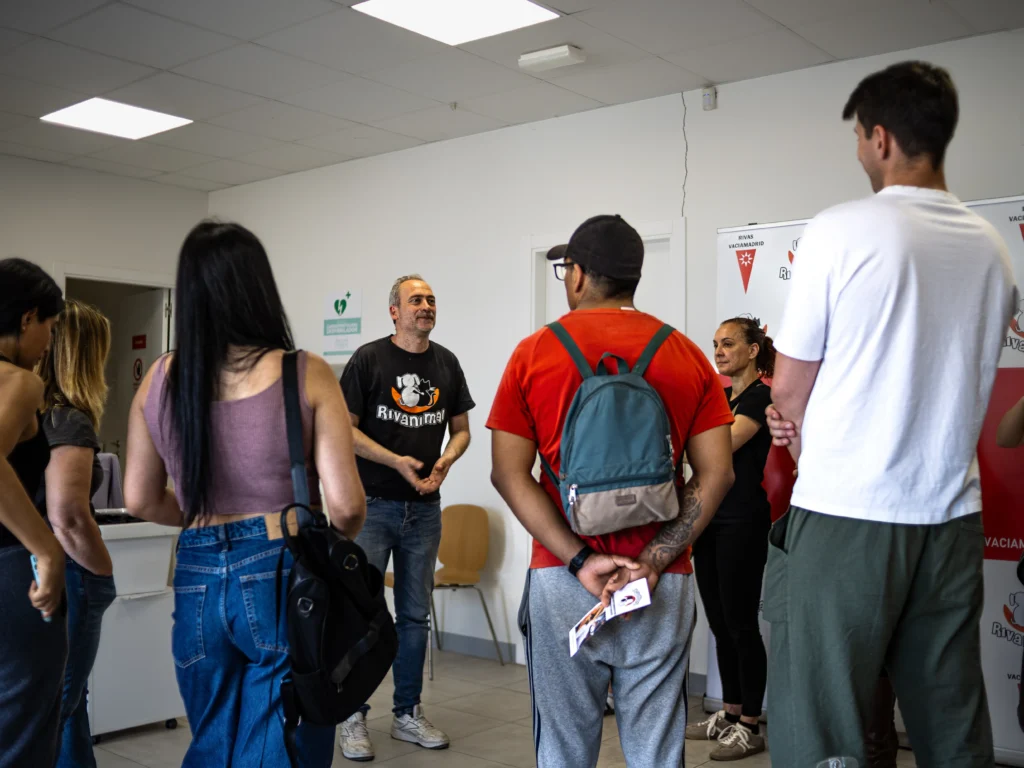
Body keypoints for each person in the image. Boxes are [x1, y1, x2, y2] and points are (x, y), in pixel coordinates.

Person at [764, 61, 1018, 766]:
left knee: (821, 715)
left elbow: (787, 389)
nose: (857, 152)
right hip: (951, 516)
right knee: (950, 711)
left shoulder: (842, 229)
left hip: (849, 510)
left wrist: (793, 421)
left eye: (856, 136)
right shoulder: (993, 249)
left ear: (880, 138)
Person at [489, 215, 735, 767]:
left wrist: (579, 559)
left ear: (576, 276)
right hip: (660, 582)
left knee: (564, 745)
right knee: (655, 748)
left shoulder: (533, 354)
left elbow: (508, 474)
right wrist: (651, 560)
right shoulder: (687, 354)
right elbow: (717, 474)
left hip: (562, 577)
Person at [123, 221, 366, 768]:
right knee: (277, 741)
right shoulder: (304, 372)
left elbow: (139, 498)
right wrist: (321, 552)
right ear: (258, 287)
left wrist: (204, 519)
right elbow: (348, 506)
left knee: (211, 740)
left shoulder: (159, 378)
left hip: (196, 571)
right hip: (282, 567)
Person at [338, 274, 474, 761]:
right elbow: (344, 433)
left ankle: (406, 714)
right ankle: (351, 716)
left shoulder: (447, 363)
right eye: (416, 299)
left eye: (431, 299)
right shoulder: (368, 360)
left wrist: (448, 458)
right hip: (372, 506)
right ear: (393, 310)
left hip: (425, 511)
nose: (426, 306)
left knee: (415, 617)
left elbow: (461, 430)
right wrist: (394, 461)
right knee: (360, 613)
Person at [686, 316, 775, 761]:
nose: (719, 351)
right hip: (709, 519)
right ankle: (730, 711)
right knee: (719, 621)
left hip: (743, 521)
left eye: (728, 343)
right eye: (715, 344)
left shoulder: (762, 396)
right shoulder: (721, 397)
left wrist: (691, 438)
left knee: (741, 623)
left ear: (753, 350)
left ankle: (751, 726)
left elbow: (719, 446)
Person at [35, 299, 117, 768]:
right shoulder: (71, 420)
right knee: (60, 704)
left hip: (34, 567)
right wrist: (103, 573)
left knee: (68, 700)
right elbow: (67, 516)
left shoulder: (30, 414)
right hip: (70, 572)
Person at [0, 258, 68, 768]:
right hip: (10, 573)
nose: (49, 342)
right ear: (27, 318)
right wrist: (46, 549)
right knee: (23, 725)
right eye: (49, 326)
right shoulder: (18, 383)